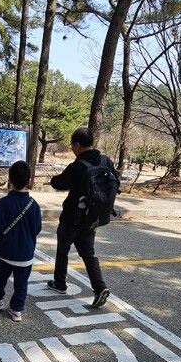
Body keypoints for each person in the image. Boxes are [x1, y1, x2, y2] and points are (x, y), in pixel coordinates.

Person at [47, 127, 111, 307]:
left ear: (77, 144)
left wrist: (53, 179)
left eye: (72, 146)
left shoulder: (78, 166)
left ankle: (60, 283)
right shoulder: (106, 161)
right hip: (93, 218)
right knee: (88, 254)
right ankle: (100, 287)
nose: (72, 149)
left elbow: (60, 183)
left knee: (63, 250)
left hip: (72, 217)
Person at [0, 160, 42, 322]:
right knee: (21, 283)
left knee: (0, 277)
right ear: (29, 181)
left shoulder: (3, 203)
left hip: (5, 253)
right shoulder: (34, 206)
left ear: (10, 179)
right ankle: (16, 309)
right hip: (25, 255)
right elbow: (36, 229)